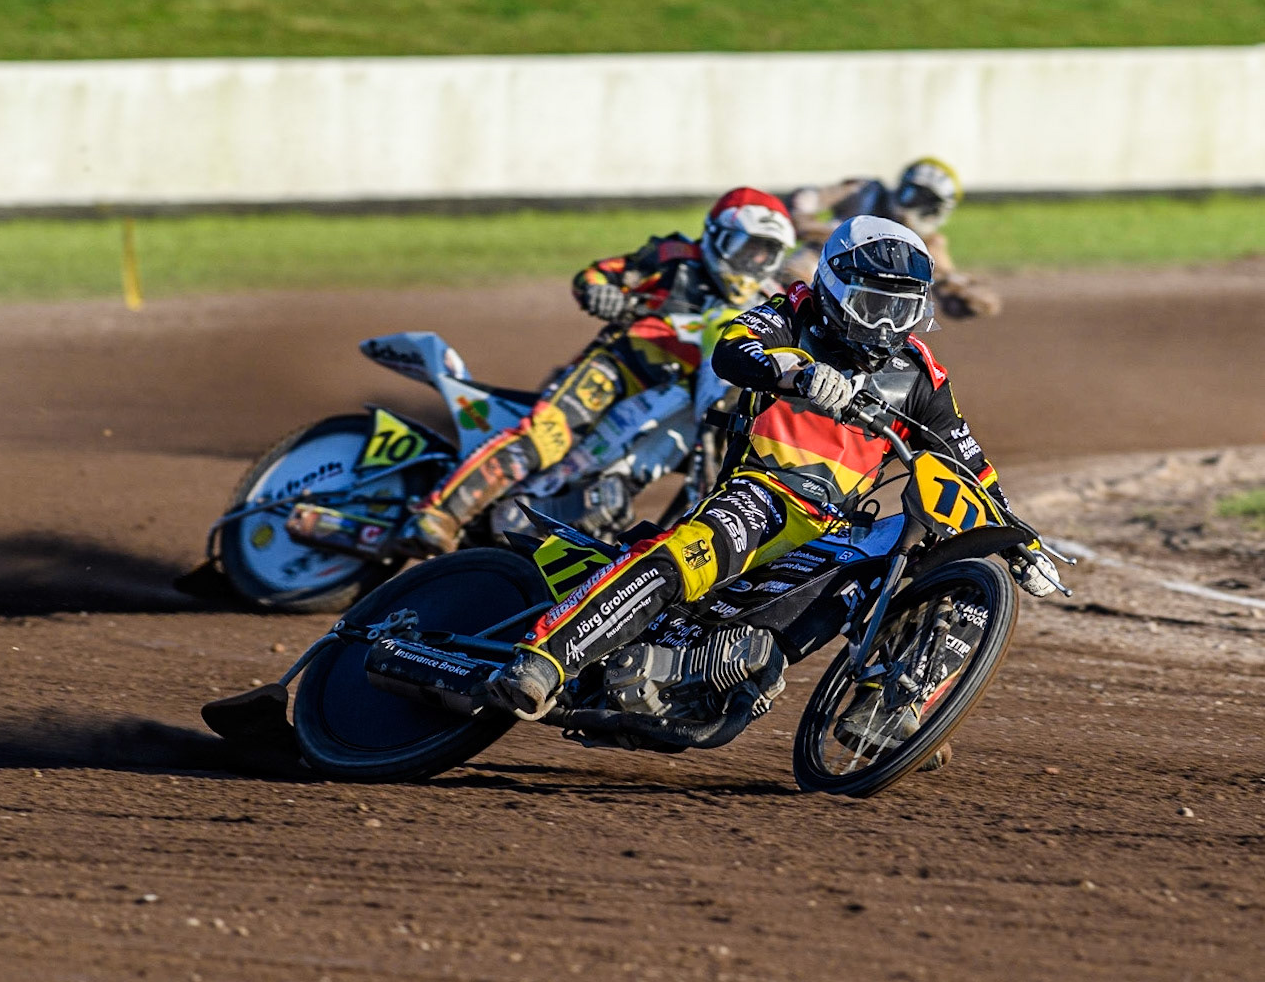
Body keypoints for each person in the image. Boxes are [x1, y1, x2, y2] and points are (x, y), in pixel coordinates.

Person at [488, 215, 1059, 747]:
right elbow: (733, 349)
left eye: (900, 308)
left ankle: (888, 707)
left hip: (836, 526)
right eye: (870, 304)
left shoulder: (921, 376)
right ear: (833, 289)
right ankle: (547, 657)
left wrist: (1020, 540)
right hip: (763, 491)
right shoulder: (792, 313)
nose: (885, 324)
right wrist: (800, 370)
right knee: (693, 550)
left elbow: (967, 460)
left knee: (941, 558)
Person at [396, 188, 798, 557]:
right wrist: (601, 292)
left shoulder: (763, 299)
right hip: (622, 367)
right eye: (746, 248)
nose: (754, 261)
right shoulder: (675, 257)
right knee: (547, 436)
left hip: (687, 394)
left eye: (767, 253)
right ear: (715, 236)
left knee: (628, 488)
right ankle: (440, 513)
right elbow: (597, 274)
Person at [780, 157, 1000, 319]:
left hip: (857, 311)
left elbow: (947, 280)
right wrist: (806, 219)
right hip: (805, 275)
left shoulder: (929, 244)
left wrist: (964, 295)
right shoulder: (866, 191)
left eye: (928, 204)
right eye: (914, 196)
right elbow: (807, 199)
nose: (916, 207)